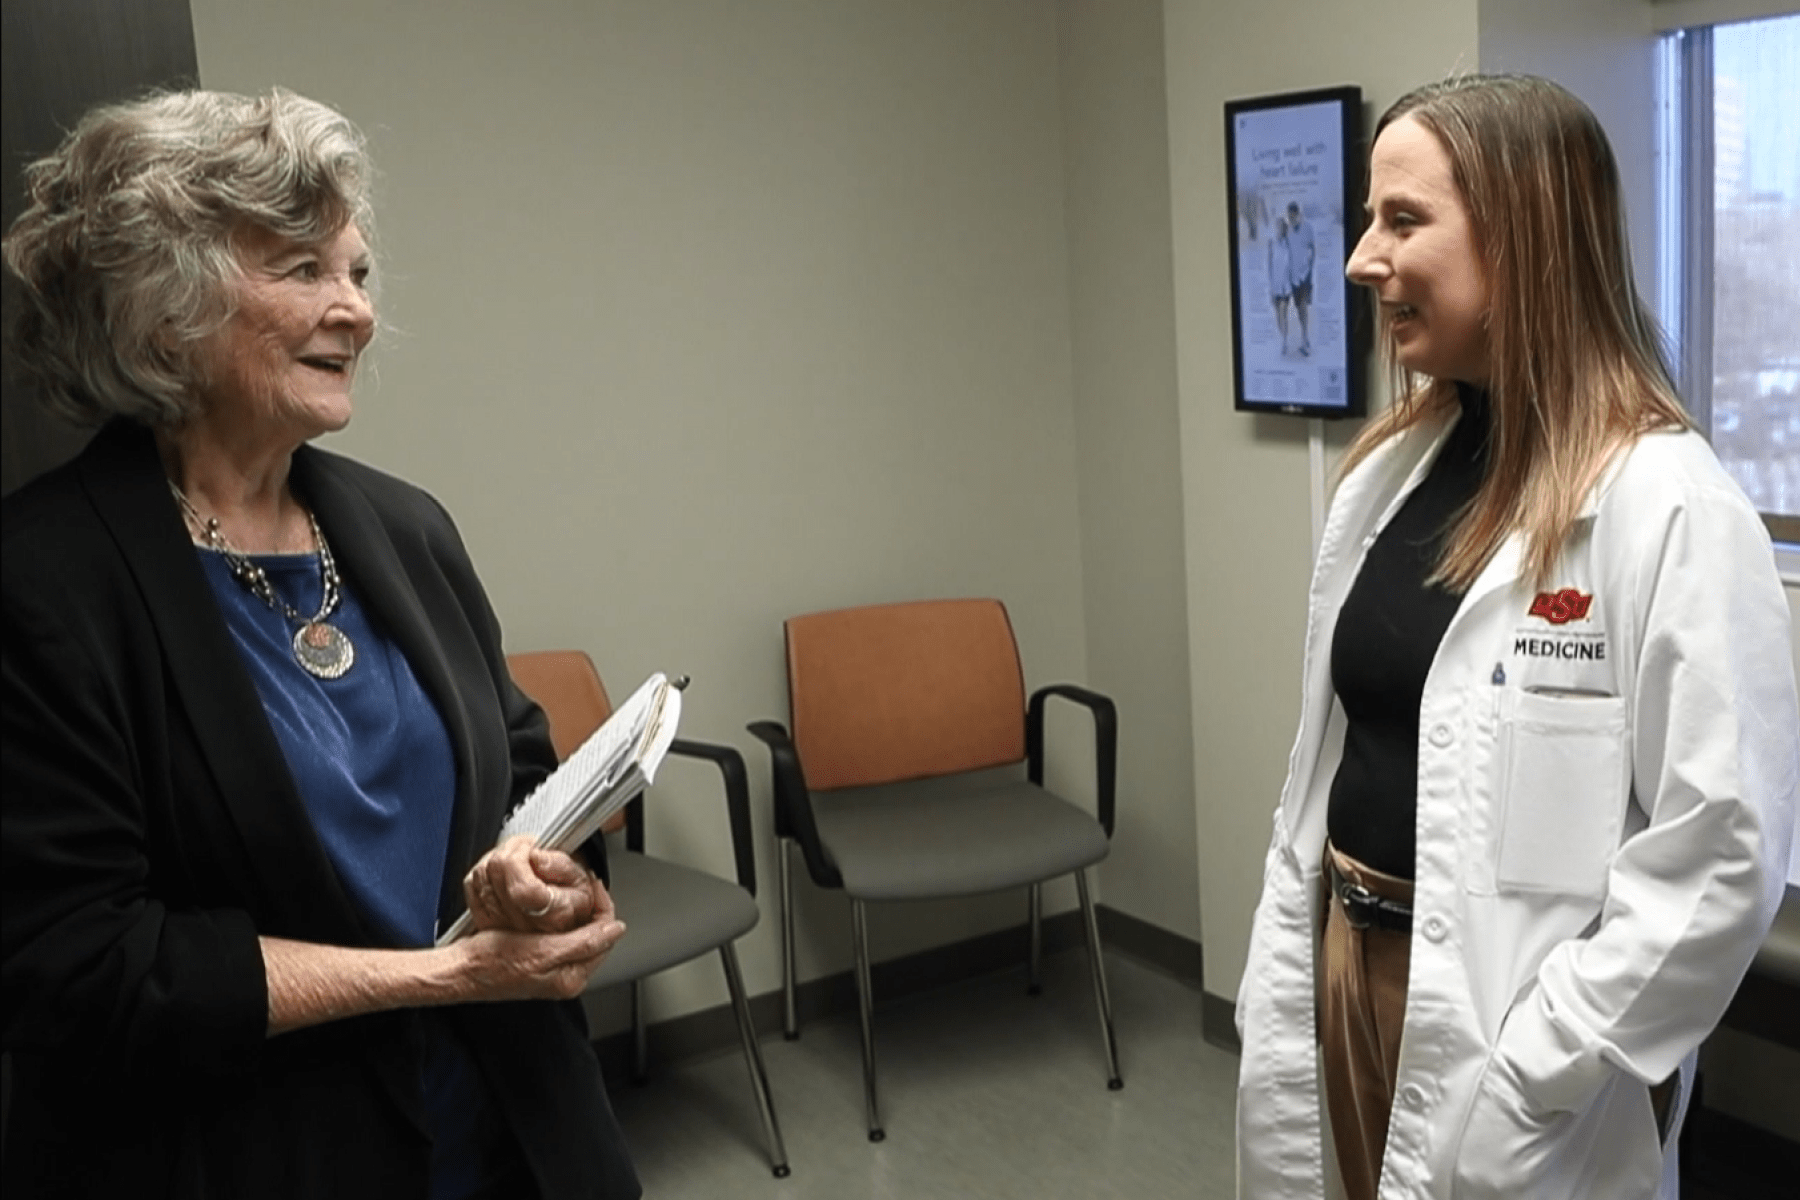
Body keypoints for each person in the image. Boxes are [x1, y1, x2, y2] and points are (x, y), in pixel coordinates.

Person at [1, 89, 642, 1200]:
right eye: (302, 270)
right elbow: (81, 967)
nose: (353, 309)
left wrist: (544, 882)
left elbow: (521, 764)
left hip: (518, 1142)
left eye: (357, 272)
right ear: (165, 311)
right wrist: (444, 977)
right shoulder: (42, 578)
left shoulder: (407, 527)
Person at [1233, 74, 1797, 1200]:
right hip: (1342, 961)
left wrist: (1535, 1075)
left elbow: (1720, 856)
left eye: (1403, 221)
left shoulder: (1668, 505)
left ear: (1526, 235)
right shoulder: (1393, 470)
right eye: (1364, 220)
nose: (1359, 260)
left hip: (1511, 1029)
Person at [1284, 199, 1316, 356]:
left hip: (1305, 274)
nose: (1291, 219)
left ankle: (1305, 340)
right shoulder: (1288, 231)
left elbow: (1313, 249)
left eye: (1292, 215)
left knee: (1303, 306)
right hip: (1293, 276)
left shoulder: (1307, 228)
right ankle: (1305, 337)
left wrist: (1310, 270)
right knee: (1299, 309)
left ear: (1297, 214)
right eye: (1289, 216)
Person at [1268, 215, 1292, 353]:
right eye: (1278, 227)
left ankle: (1284, 342)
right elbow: (1269, 265)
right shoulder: (1272, 244)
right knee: (1278, 316)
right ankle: (1282, 338)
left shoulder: (1288, 244)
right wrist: (1270, 287)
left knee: (1283, 313)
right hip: (1275, 285)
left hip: (1286, 286)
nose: (1280, 230)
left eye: (1282, 228)